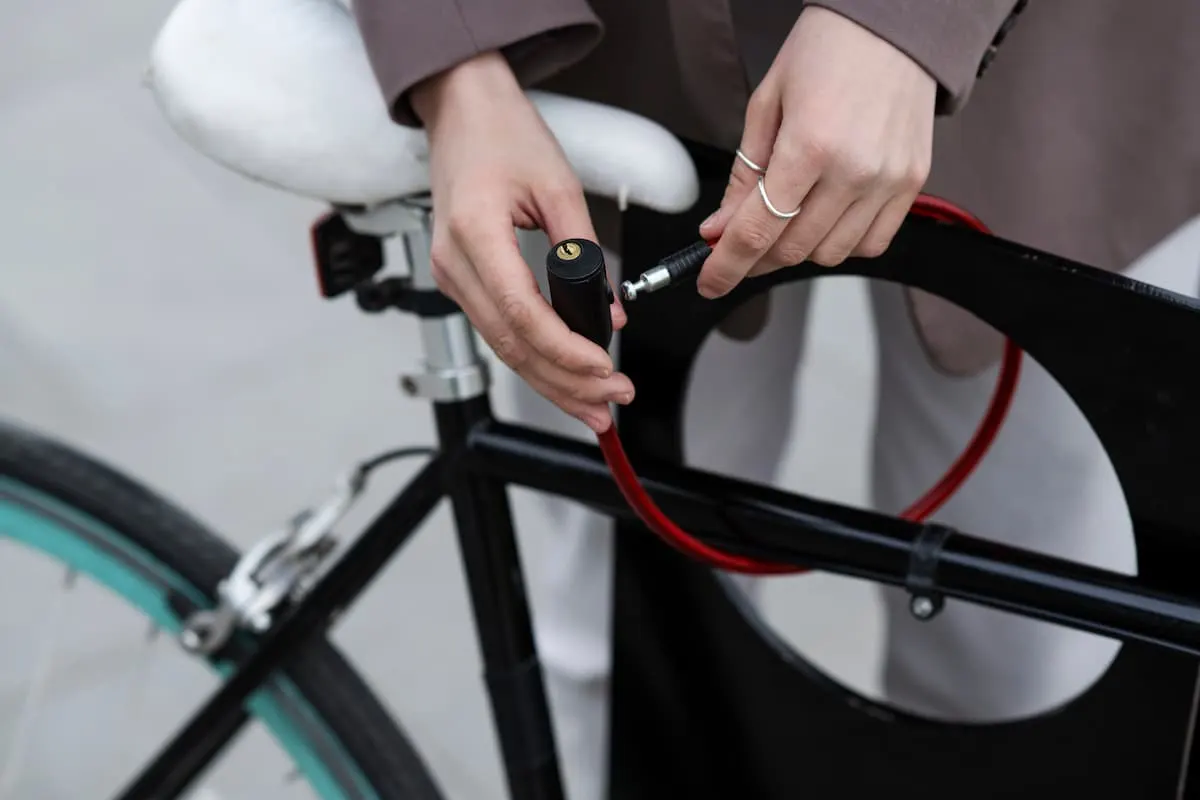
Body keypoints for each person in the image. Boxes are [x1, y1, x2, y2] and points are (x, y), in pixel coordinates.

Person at [352, 1, 1200, 796]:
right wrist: (461, 69)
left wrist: (906, 19)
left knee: (1024, 645)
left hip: (1052, 65)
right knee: (634, 646)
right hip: (613, 66)